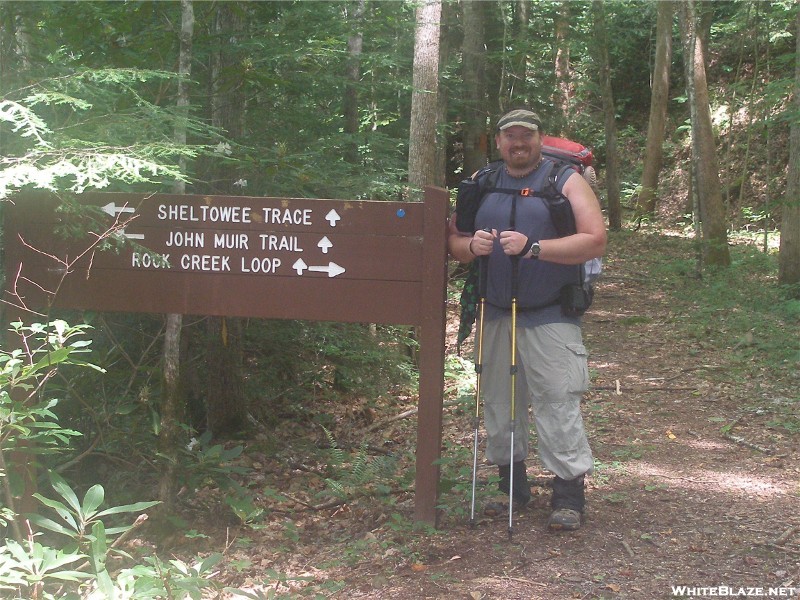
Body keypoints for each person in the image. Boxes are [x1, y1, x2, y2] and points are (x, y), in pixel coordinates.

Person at [448, 109, 606, 531]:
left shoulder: (563, 180)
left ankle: (568, 497)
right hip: (495, 310)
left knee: (557, 399)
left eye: (527, 137)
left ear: (539, 139)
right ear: (497, 141)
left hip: (551, 312)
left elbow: (595, 239)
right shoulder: (482, 182)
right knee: (500, 400)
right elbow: (454, 240)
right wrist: (471, 247)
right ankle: (511, 487)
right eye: (510, 137)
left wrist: (535, 248)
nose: (518, 144)